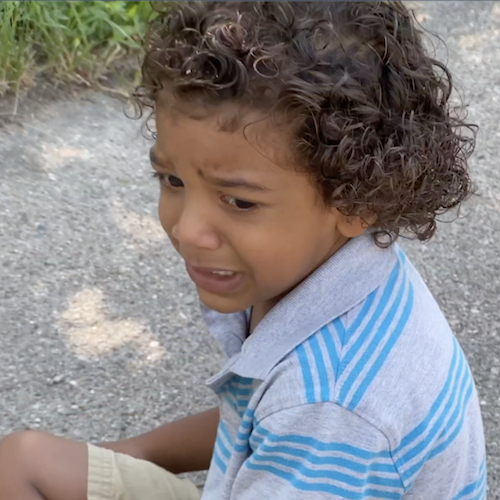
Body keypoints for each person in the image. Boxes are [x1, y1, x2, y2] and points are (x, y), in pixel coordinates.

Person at [0, 1, 487, 499]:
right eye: (172, 179)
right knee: (21, 464)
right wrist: (136, 452)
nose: (186, 229)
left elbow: (295, 415)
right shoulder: (338, 271)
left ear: (358, 200)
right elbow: (255, 413)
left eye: (238, 201)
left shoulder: (331, 408)